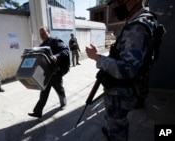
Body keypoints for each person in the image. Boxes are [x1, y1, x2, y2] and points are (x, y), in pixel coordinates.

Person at [86, 0, 162, 140]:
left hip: (121, 92)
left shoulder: (137, 28)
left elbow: (127, 69)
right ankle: (112, 130)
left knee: (118, 125)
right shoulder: (144, 19)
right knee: (114, 120)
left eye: (119, 1)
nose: (116, 7)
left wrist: (97, 57)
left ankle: (115, 133)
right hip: (124, 88)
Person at [28, 26, 69, 118]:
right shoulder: (41, 46)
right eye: (40, 33)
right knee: (43, 92)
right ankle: (38, 111)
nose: (41, 35)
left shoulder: (55, 41)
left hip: (56, 72)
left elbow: (66, 51)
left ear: (48, 32)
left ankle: (63, 103)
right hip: (46, 74)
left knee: (59, 89)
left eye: (43, 32)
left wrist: (56, 56)